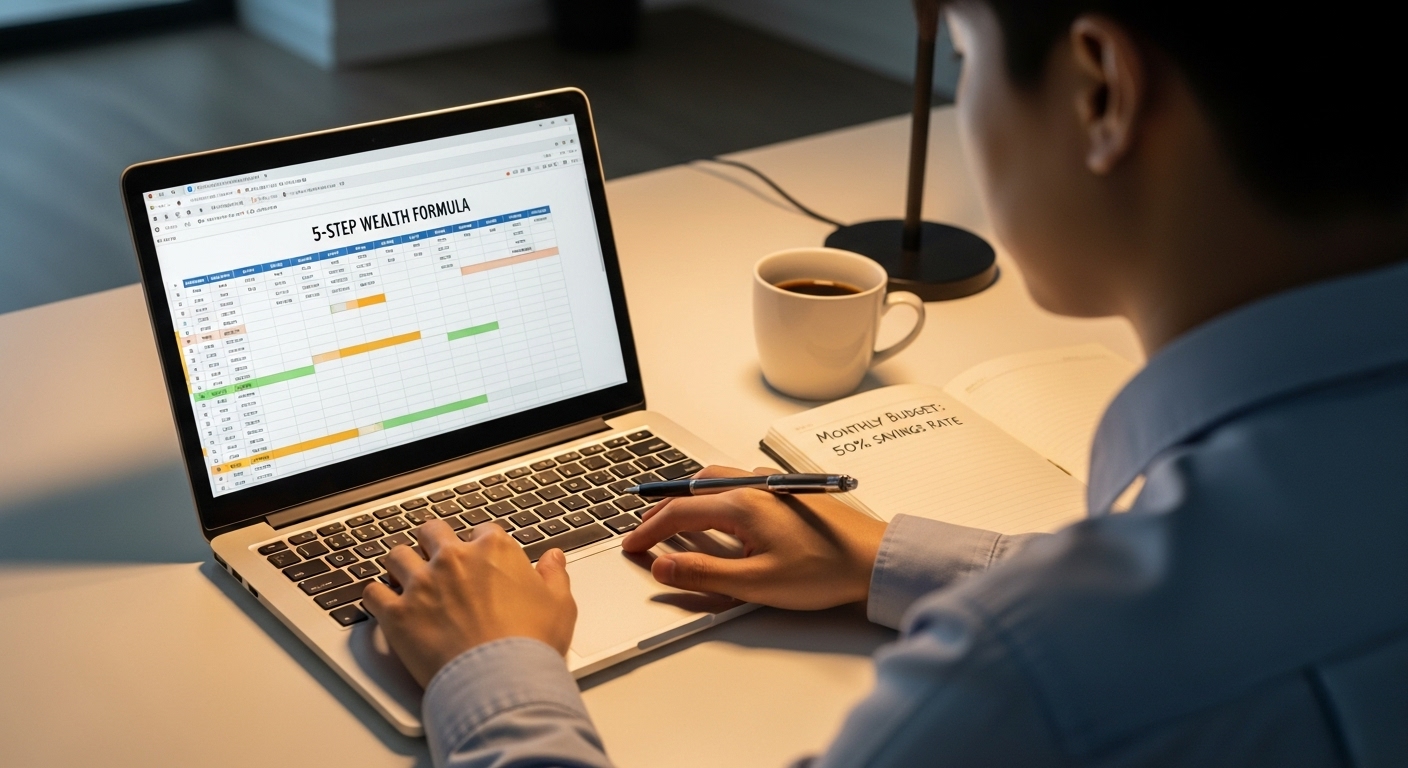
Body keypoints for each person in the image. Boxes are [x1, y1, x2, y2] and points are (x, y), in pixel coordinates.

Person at [361, 0, 1408, 765]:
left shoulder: (1021, 686)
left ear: (1099, 91)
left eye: (963, 52)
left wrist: (492, 673)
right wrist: (891, 562)